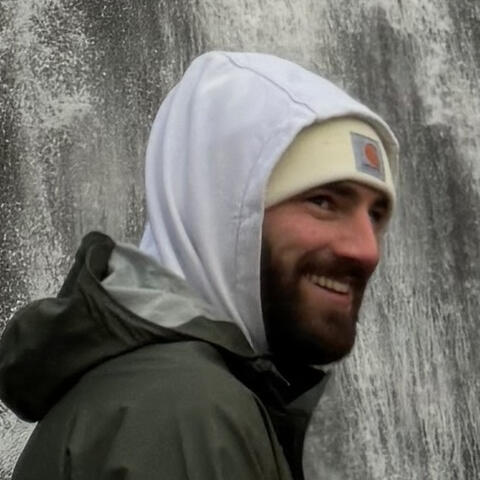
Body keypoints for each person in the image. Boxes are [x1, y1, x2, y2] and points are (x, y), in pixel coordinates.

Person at [0, 51, 398, 480]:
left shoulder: (162, 390)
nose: (367, 250)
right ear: (222, 212)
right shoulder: (185, 412)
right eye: (322, 202)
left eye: (376, 214)